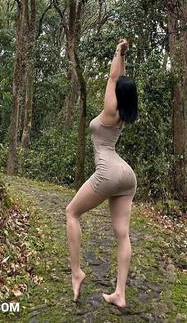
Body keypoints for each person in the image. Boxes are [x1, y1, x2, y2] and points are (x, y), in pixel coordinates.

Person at [65, 38, 138, 309]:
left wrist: (117, 51)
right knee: (122, 234)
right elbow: (121, 79)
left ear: (118, 94)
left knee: (71, 213)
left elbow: (113, 77)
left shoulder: (109, 111)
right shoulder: (124, 113)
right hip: (126, 175)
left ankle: (77, 272)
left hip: (108, 171)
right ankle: (120, 293)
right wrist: (123, 56)